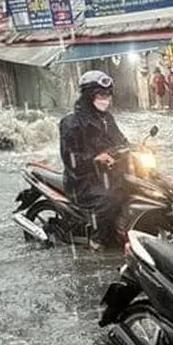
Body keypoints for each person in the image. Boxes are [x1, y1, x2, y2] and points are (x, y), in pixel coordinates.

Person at [59, 70, 129, 247]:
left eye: (107, 94)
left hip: (107, 173)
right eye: (100, 94)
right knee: (112, 197)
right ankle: (98, 239)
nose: (105, 98)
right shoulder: (71, 123)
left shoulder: (107, 119)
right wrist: (95, 159)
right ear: (88, 96)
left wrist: (140, 149)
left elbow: (121, 141)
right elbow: (70, 159)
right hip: (82, 181)